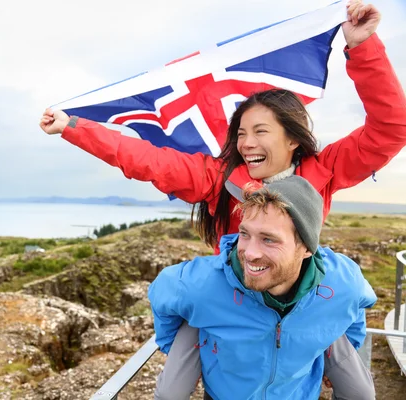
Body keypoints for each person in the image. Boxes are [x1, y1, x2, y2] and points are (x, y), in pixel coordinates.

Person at [39, 1, 403, 398]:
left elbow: (390, 127)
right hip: (229, 296)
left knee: (358, 386)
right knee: (176, 389)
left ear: (293, 138)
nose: (246, 144)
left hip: (298, 292)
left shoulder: (324, 170)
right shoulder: (218, 178)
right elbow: (147, 160)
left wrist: (362, 47)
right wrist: (75, 127)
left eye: (260, 131)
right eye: (241, 133)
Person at [147, 176, 377, 400]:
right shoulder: (201, 284)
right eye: (245, 234)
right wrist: (191, 354)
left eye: (268, 239)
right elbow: (160, 295)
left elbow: (355, 310)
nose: (250, 253)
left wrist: (328, 353)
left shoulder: (342, 283)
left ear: (306, 248)